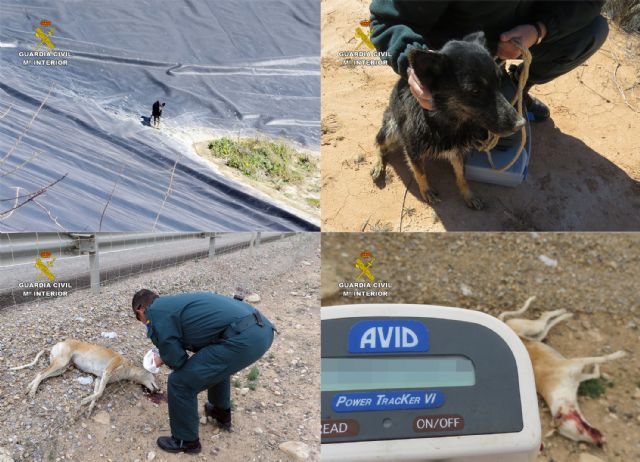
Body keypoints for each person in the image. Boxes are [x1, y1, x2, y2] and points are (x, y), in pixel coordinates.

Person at [369, 1, 608, 121]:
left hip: (520, 37)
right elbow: (386, 21)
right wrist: (412, 60)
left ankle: (515, 88)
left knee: (593, 31)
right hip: (453, 53)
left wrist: (539, 29)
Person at [132, 289, 276, 454]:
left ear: (141, 310)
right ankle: (219, 413)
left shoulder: (155, 314)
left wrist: (161, 358)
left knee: (180, 383)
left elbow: (178, 361)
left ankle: (186, 441)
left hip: (244, 338)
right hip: (262, 330)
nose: (144, 323)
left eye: (141, 320)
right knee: (213, 361)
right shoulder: (174, 304)